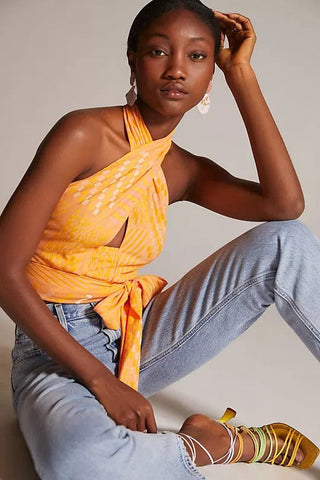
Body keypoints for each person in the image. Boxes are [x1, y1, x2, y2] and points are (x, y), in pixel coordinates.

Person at [0, 0, 319, 478]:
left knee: (286, 240)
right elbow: (3, 271)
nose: (176, 69)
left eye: (197, 57)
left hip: (136, 335)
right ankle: (209, 447)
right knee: (79, 460)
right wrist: (99, 381)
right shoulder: (83, 133)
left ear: (211, 74)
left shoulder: (181, 169)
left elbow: (284, 206)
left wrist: (242, 76)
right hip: (55, 352)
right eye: (157, 51)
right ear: (132, 59)